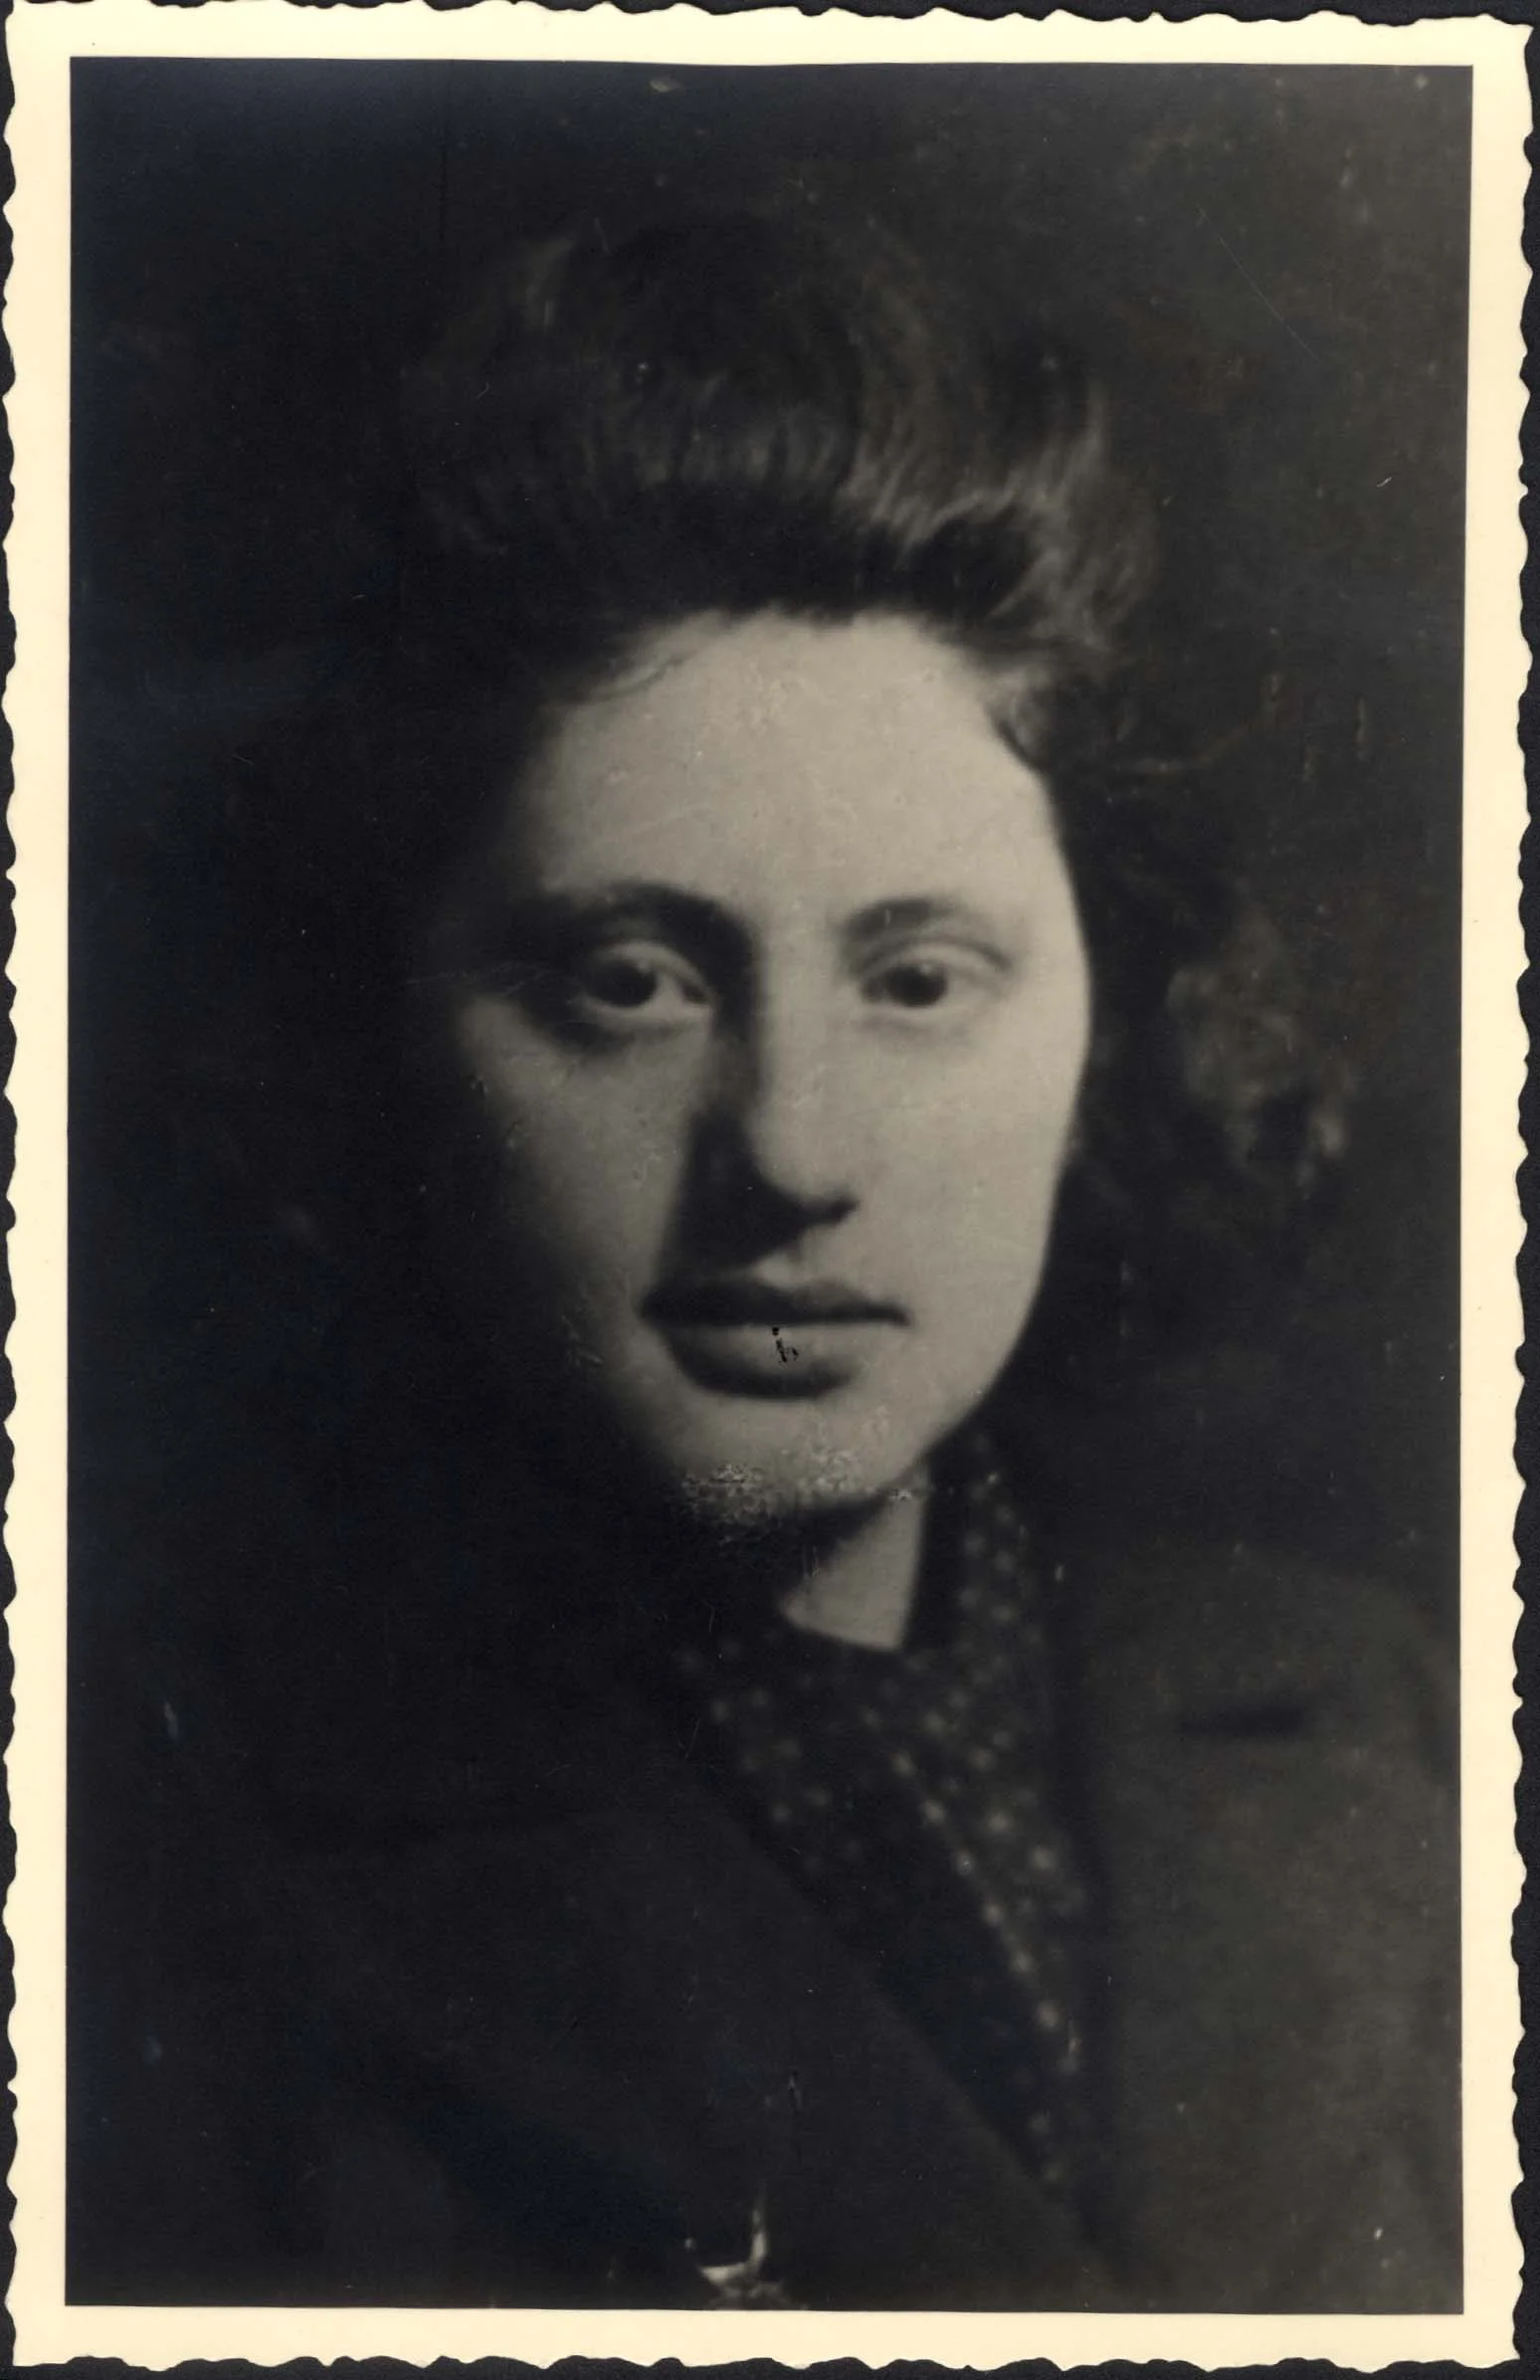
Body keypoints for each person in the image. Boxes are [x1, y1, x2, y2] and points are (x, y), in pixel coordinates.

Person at [69, 209, 1457, 2314]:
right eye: (630, 980)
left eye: (919, 978)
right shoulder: (139, 1846)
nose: (792, 1152)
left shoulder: (1386, 1716)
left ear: (1113, 1012)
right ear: (375, 1022)